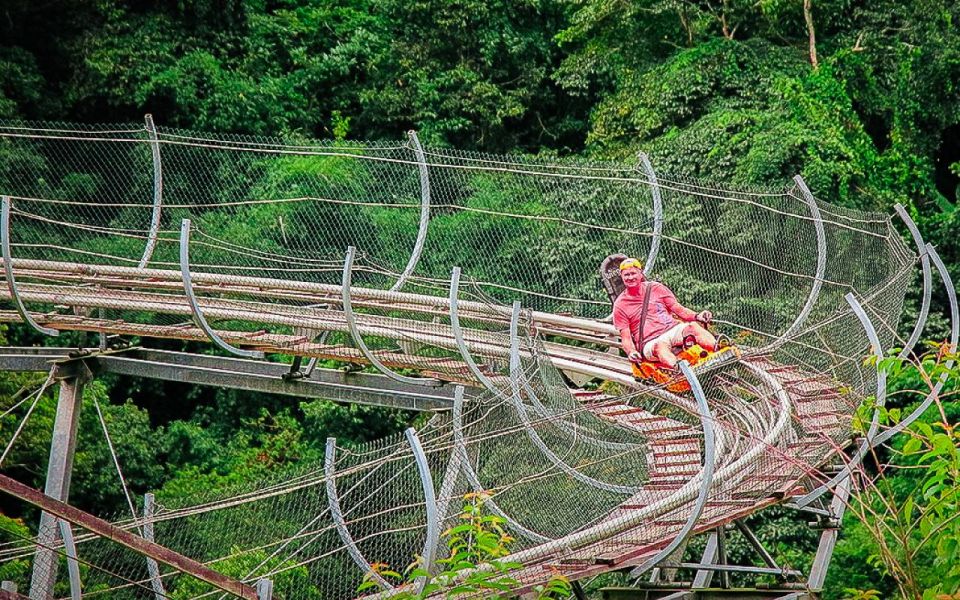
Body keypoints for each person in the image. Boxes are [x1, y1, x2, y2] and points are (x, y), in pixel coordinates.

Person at [613, 258, 716, 371]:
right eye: (626, 275)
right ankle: (681, 370)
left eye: (633, 273)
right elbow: (626, 337)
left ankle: (719, 349)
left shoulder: (656, 288)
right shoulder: (620, 305)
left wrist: (697, 316)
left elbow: (679, 310)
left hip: (672, 329)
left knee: (693, 327)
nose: (630, 277)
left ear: (640, 273)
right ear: (622, 277)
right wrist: (631, 352)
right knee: (660, 346)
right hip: (650, 341)